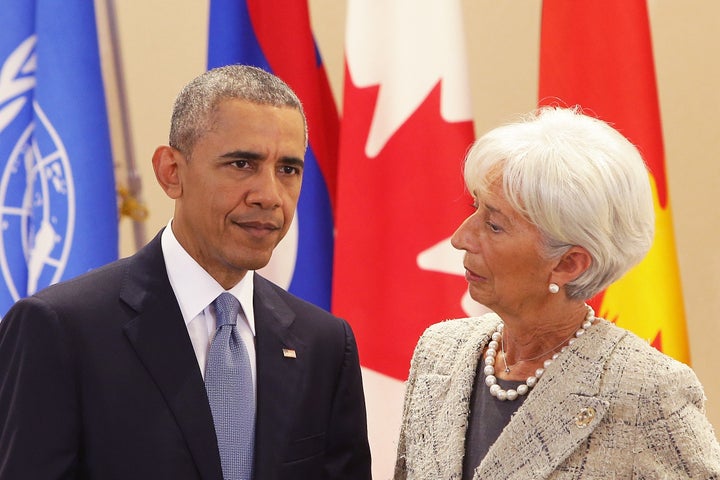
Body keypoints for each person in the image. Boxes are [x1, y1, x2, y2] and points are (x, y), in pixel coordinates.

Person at [0, 65, 371, 480]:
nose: (270, 195)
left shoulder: (324, 343)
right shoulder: (60, 330)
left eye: (288, 169)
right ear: (171, 172)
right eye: (242, 164)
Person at [393, 106, 720, 479]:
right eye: (474, 207)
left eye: (495, 225)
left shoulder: (647, 391)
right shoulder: (439, 352)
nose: (460, 238)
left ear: (568, 264)